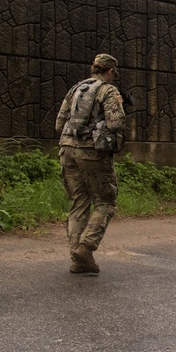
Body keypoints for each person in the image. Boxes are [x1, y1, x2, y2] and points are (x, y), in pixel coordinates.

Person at [55, 54, 126, 274]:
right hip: (91, 152)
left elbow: (59, 123)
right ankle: (86, 247)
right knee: (105, 201)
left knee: (79, 201)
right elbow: (116, 123)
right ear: (110, 72)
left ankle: (78, 259)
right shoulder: (108, 90)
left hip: (66, 149)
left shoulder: (75, 89)